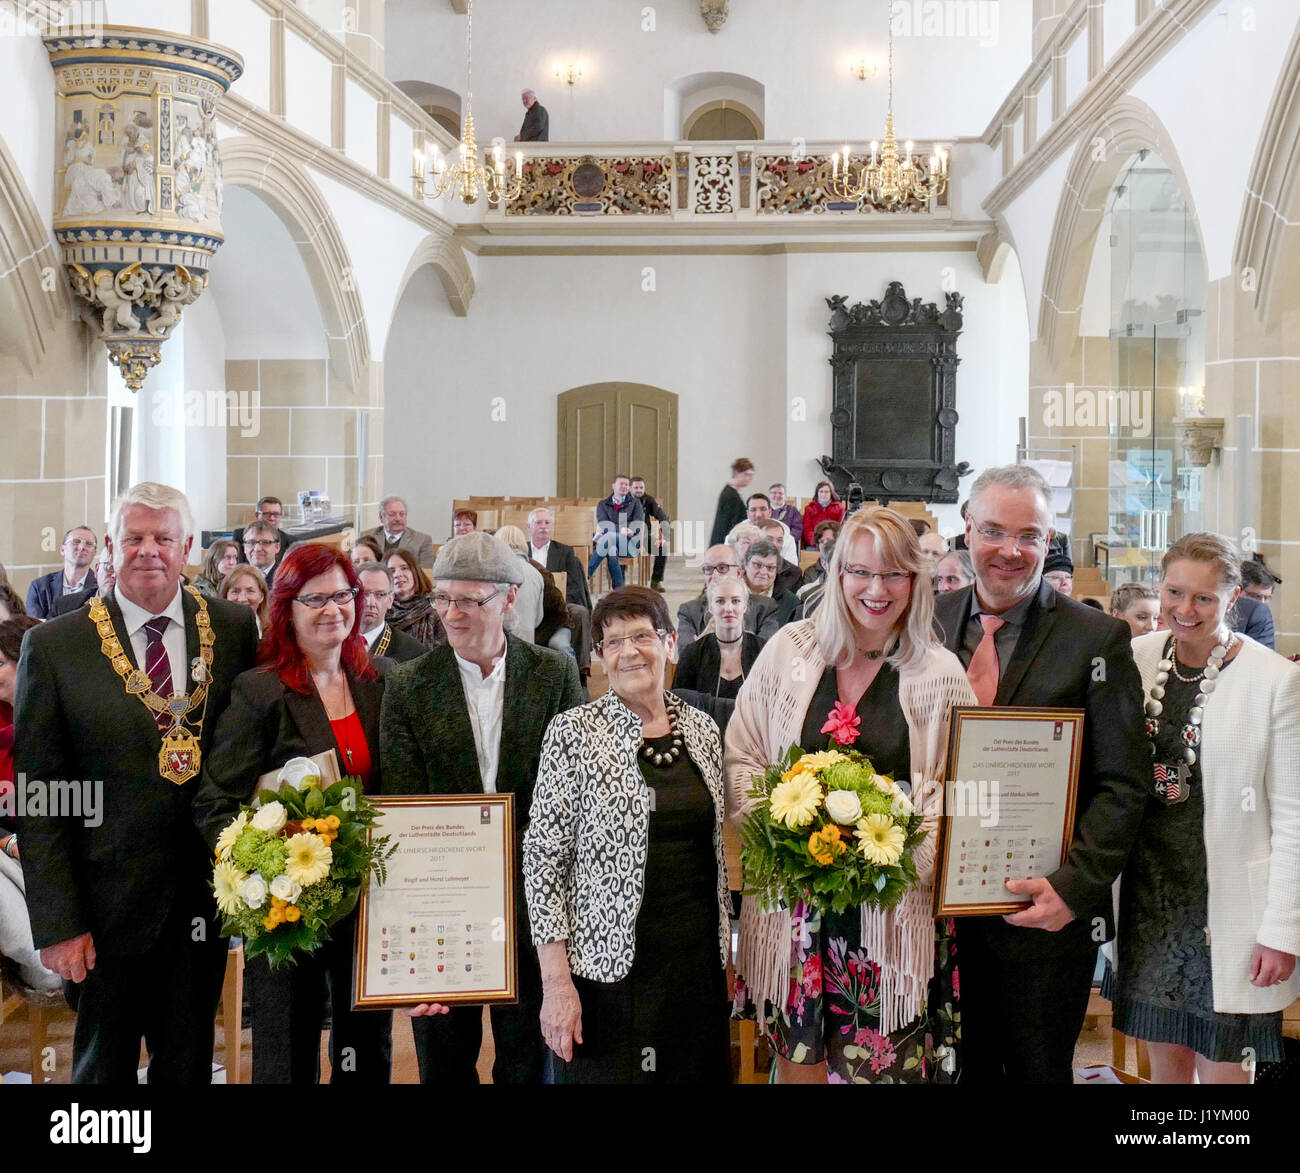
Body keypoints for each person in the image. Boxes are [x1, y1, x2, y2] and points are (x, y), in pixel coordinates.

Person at [13, 482, 259, 1083]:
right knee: (102, 1072)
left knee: (189, 1062)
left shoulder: (232, 630)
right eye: (134, 538)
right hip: (102, 910)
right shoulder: (54, 645)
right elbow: (39, 793)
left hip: (203, 901)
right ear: (109, 546)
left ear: (189, 547)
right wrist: (59, 922)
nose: (149, 550)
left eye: (164, 538)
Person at [727, 506, 976, 1083]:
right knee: (799, 1072)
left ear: (915, 583)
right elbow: (744, 754)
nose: (876, 589)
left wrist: (879, 860)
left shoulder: (939, 673)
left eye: (894, 575)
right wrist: (786, 836)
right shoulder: (791, 649)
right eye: (860, 572)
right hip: (796, 913)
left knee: (883, 1074)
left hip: (892, 917)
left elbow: (957, 795)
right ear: (837, 574)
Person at [932, 464, 1150, 1083]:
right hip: (934, 913)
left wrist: (1073, 888)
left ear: (1049, 540)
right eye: (994, 530)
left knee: (1036, 1072)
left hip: (1041, 912)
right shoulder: (923, 621)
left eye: (1029, 535)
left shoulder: (1097, 638)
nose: (1010, 550)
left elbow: (1124, 783)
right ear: (967, 530)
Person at [380, 532, 585, 1084]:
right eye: (442, 598)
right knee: (444, 1066)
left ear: (509, 599)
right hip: (443, 909)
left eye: (468, 600)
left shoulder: (553, 674)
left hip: (531, 909)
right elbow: (403, 815)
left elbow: (570, 799)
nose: (451, 613)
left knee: (527, 1065)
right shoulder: (408, 686)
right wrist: (410, 949)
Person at [195, 545, 393, 1084]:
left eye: (343, 595)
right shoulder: (260, 691)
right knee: (286, 1049)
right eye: (316, 598)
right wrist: (265, 861)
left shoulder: (382, 681)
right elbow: (214, 802)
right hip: (287, 907)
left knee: (367, 1048)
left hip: (370, 902)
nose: (335, 609)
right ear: (286, 607)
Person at [1113, 532, 1300, 1083]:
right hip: (1148, 898)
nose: (1184, 610)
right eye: (1174, 592)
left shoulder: (1277, 682)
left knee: (1222, 1073)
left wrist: (1282, 930)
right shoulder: (1136, 659)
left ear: (1234, 598)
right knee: (1164, 1068)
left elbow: (1293, 817)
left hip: (1228, 907)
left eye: (1204, 598)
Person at [525, 587, 731, 1082]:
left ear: (671, 644)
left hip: (695, 966)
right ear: (598, 657)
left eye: (642, 635)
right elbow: (542, 860)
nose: (629, 651)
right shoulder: (571, 733)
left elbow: (716, 854)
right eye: (612, 642)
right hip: (607, 973)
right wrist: (556, 984)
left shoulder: (702, 729)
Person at [0, 617, 62, 999]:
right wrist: (8, 842)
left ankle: (48, 965)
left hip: (52, 848)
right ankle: (41, 963)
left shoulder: (60, 718)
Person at [673, 575, 763, 700]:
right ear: (710, 607)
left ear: (745, 607)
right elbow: (679, 704)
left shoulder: (763, 650)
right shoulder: (693, 653)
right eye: (720, 601)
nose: (728, 609)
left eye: (736, 601)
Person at [676, 544, 781, 647]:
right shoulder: (689, 610)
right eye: (708, 569)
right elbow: (686, 654)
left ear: (739, 572)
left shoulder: (765, 608)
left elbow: (765, 652)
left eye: (722, 568)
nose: (715, 575)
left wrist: (704, 647)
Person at [528, 507, 592, 673]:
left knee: (580, 612)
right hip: (529, 606)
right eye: (538, 522)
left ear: (553, 527)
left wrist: (559, 604)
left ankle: (582, 672)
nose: (543, 526)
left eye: (547, 522)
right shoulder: (523, 552)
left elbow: (574, 586)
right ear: (529, 527)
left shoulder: (565, 552)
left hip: (560, 606)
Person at [357, 562, 426, 662]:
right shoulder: (337, 639)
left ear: (390, 600)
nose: (370, 603)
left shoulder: (413, 652)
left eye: (380, 595)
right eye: (364, 594)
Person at [587, 474, 644, 592]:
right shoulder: (603, 504)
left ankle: (585, 574)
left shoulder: (635, 503)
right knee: (611, 549)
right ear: (613, 486)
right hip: (609, 543)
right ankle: (619, 590)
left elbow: (637, 524)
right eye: (621, 484)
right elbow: (603, 524)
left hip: (630, 544)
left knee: (608, 538)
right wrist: (622, 529)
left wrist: (628, 530)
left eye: (627, 484)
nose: (624, 486)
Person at [25, 526, 98, 618]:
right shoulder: (39, 587)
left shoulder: (102, 586)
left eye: (89, 544)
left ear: (94, 553)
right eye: (76, 542)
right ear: (63, 550)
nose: (82, 547)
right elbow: (34, 627)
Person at [495, 525, 546, 643]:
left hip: (500, 645)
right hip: (527, 643)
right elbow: (538, 619)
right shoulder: (536, 573)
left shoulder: (494, 570)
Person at [387, 549, 442, 647]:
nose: (397, 575)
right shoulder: (381, 612)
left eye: (404, 568)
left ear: (415, 571)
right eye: (392, 571)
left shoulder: (435, 608)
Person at [361, 496, 435, 568]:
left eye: (402, 514)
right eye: (392, 514)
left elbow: (426, 572)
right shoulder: (366, 537)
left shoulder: (422, 540)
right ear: (381, 517)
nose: (398, 518)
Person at [50, 546, 116, 617]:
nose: (115, 575)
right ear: (97, 570)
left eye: (123, 571)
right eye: (109, 567)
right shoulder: (64, 608)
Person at [630, 476, 670, 592]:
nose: (639, 490)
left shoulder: (648, 500)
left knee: (662, 548)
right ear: (630, 489)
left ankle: (656, 581)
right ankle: (620, 585)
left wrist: (665, 536)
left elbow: (662, 517)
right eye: (636, 487)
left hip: (644, 537)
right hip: (626, 537)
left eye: (641, 487)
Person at [233, 497, 290, 573]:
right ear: (257, 515)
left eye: (266, 542)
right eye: (267, 514)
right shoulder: (242, 535)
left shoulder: (290, 541)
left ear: (277, 547)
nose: (272, 518)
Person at [709, 458, 754, 547]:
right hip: (725, 545)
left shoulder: (730, 493)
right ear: (736, 473)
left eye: (751, 475)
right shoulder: (730, 495)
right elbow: (729, 525)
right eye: (747, 474)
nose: (749, 478)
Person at [220, 562, 271, 635]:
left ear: (261, 597)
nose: (242, 599)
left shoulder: (273, 634)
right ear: (225, 596)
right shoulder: (213, 632)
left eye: (250, 591)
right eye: (235, 592)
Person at [746, 494, 799, 564]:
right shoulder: (735, 537)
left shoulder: (788, 539)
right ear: (748, 513)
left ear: (770, 512)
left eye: (763, 509)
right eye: (753, 510)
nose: (758, 514)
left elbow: (791, 571)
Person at [801, 481, 845, 549]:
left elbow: (841, 528)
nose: (824, 494)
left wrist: (830, 541)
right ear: (817, 493)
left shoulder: (840, 508)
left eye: (826, 492)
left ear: (831, 493)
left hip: (833, 543)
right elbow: (807, 529)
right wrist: (816, 541)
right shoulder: (809, 509)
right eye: (821, 491)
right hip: (816, 543)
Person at [242, 520, 282, 586]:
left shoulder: (286, 578)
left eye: (265, 542)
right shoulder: (235, 578)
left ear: (277, 547)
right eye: (251, 543)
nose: (257, 549)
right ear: (244, 548)